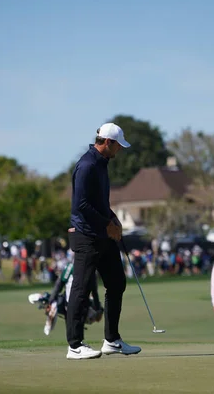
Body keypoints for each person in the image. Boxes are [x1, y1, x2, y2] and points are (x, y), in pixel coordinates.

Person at [65, 122, 141, 360]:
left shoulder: (101, 164)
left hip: (102, 234)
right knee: (81, 288)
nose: (120, 150)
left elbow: (98, 202)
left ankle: (112, 341)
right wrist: (107, 224)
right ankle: (75, 345)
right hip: (87, 236)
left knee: (117, 282)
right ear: (107, 142)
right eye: (118, 145)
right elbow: (82, 206)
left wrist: (113, 219)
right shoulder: (87, 165)